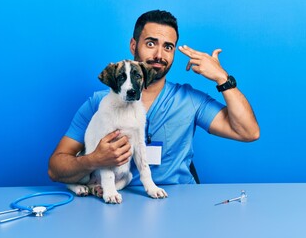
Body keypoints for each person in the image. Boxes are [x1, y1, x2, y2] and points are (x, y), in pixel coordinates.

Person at [48, 10, 260, 186]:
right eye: (151, 43)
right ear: (133, 45)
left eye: (168, 46)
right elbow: (55, 169)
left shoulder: (189, 100)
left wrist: (222, 78)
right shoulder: (99, 104)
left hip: (179, 204)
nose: (159, 54)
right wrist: (93, 160)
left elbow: (248, 132)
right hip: (120, 202)